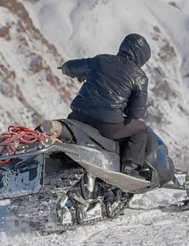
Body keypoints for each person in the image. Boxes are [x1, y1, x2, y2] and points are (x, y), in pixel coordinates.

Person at [55, 33, 151, 179]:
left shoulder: (101, 60)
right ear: (142, 57)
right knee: (141, 129)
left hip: (78, 117)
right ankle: (130, 167)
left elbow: (73, 66)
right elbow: (136, 113)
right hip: (107, 126)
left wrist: (64, 68)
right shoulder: (140, 77)